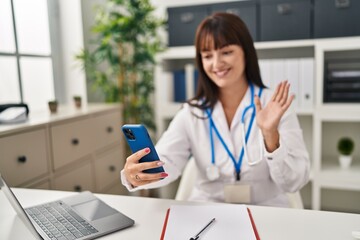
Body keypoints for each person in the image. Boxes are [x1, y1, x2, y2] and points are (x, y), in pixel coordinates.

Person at [120, 12, 310, 207]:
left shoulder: (274, 105)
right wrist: (139, 172)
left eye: (226, 52)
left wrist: (271, 137)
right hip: (208, 210)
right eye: (208, 55)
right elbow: (166, 160)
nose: (217, 64)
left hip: (265, 209)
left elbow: (294, 181)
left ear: (246, 52)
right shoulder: (191, 112)